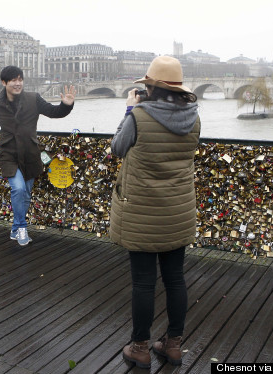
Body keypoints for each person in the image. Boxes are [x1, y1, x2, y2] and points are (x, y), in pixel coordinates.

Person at [109, 56, 200, 368]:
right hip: (178, 211)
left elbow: (117, 148)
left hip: (143, 214)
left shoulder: (139, 116)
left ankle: (140, 347)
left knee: (144, 283)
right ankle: (173, 344)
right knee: (175, 279)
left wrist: (129, 110)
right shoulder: (194, 118)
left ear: (150, 87)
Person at [0, 66, 76, 246]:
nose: (18, 84)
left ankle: (15, 228)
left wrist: (66, 105)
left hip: (30, 154)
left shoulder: (34, 98)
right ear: (4, 83)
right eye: (14, 80)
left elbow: (54, 112)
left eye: (20, 80)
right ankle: (22, 227)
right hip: (9, 154)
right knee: (17, 189)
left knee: (25, 194)